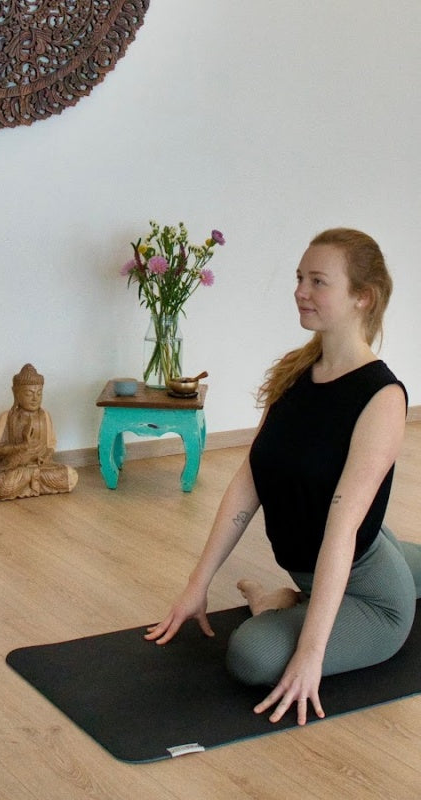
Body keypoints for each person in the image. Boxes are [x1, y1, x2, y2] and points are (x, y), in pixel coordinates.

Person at [145, 228, 421, 726]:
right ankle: (299, 596)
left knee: (252, 657)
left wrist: (312, 655)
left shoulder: (382, 398)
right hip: (358, 551)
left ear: (363, 297)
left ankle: (290, 602)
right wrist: (196, 584)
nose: (300, 291)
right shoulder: (296, 373)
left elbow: (341, 531)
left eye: (318, 281)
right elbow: (248, 484)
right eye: (299, 278)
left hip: (372, 594)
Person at [0, 363, 78, 500]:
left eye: (39, 393)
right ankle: (28, 480)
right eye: (29, 394)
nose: (35, 398)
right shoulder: (7, 417)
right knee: (2, 485)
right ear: (16, 394)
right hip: (17, 468)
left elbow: (51, 445)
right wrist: (22, 446)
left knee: (70, 475)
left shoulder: (45, 415)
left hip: (41, 468)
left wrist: (46, 456)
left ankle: (32, 481)